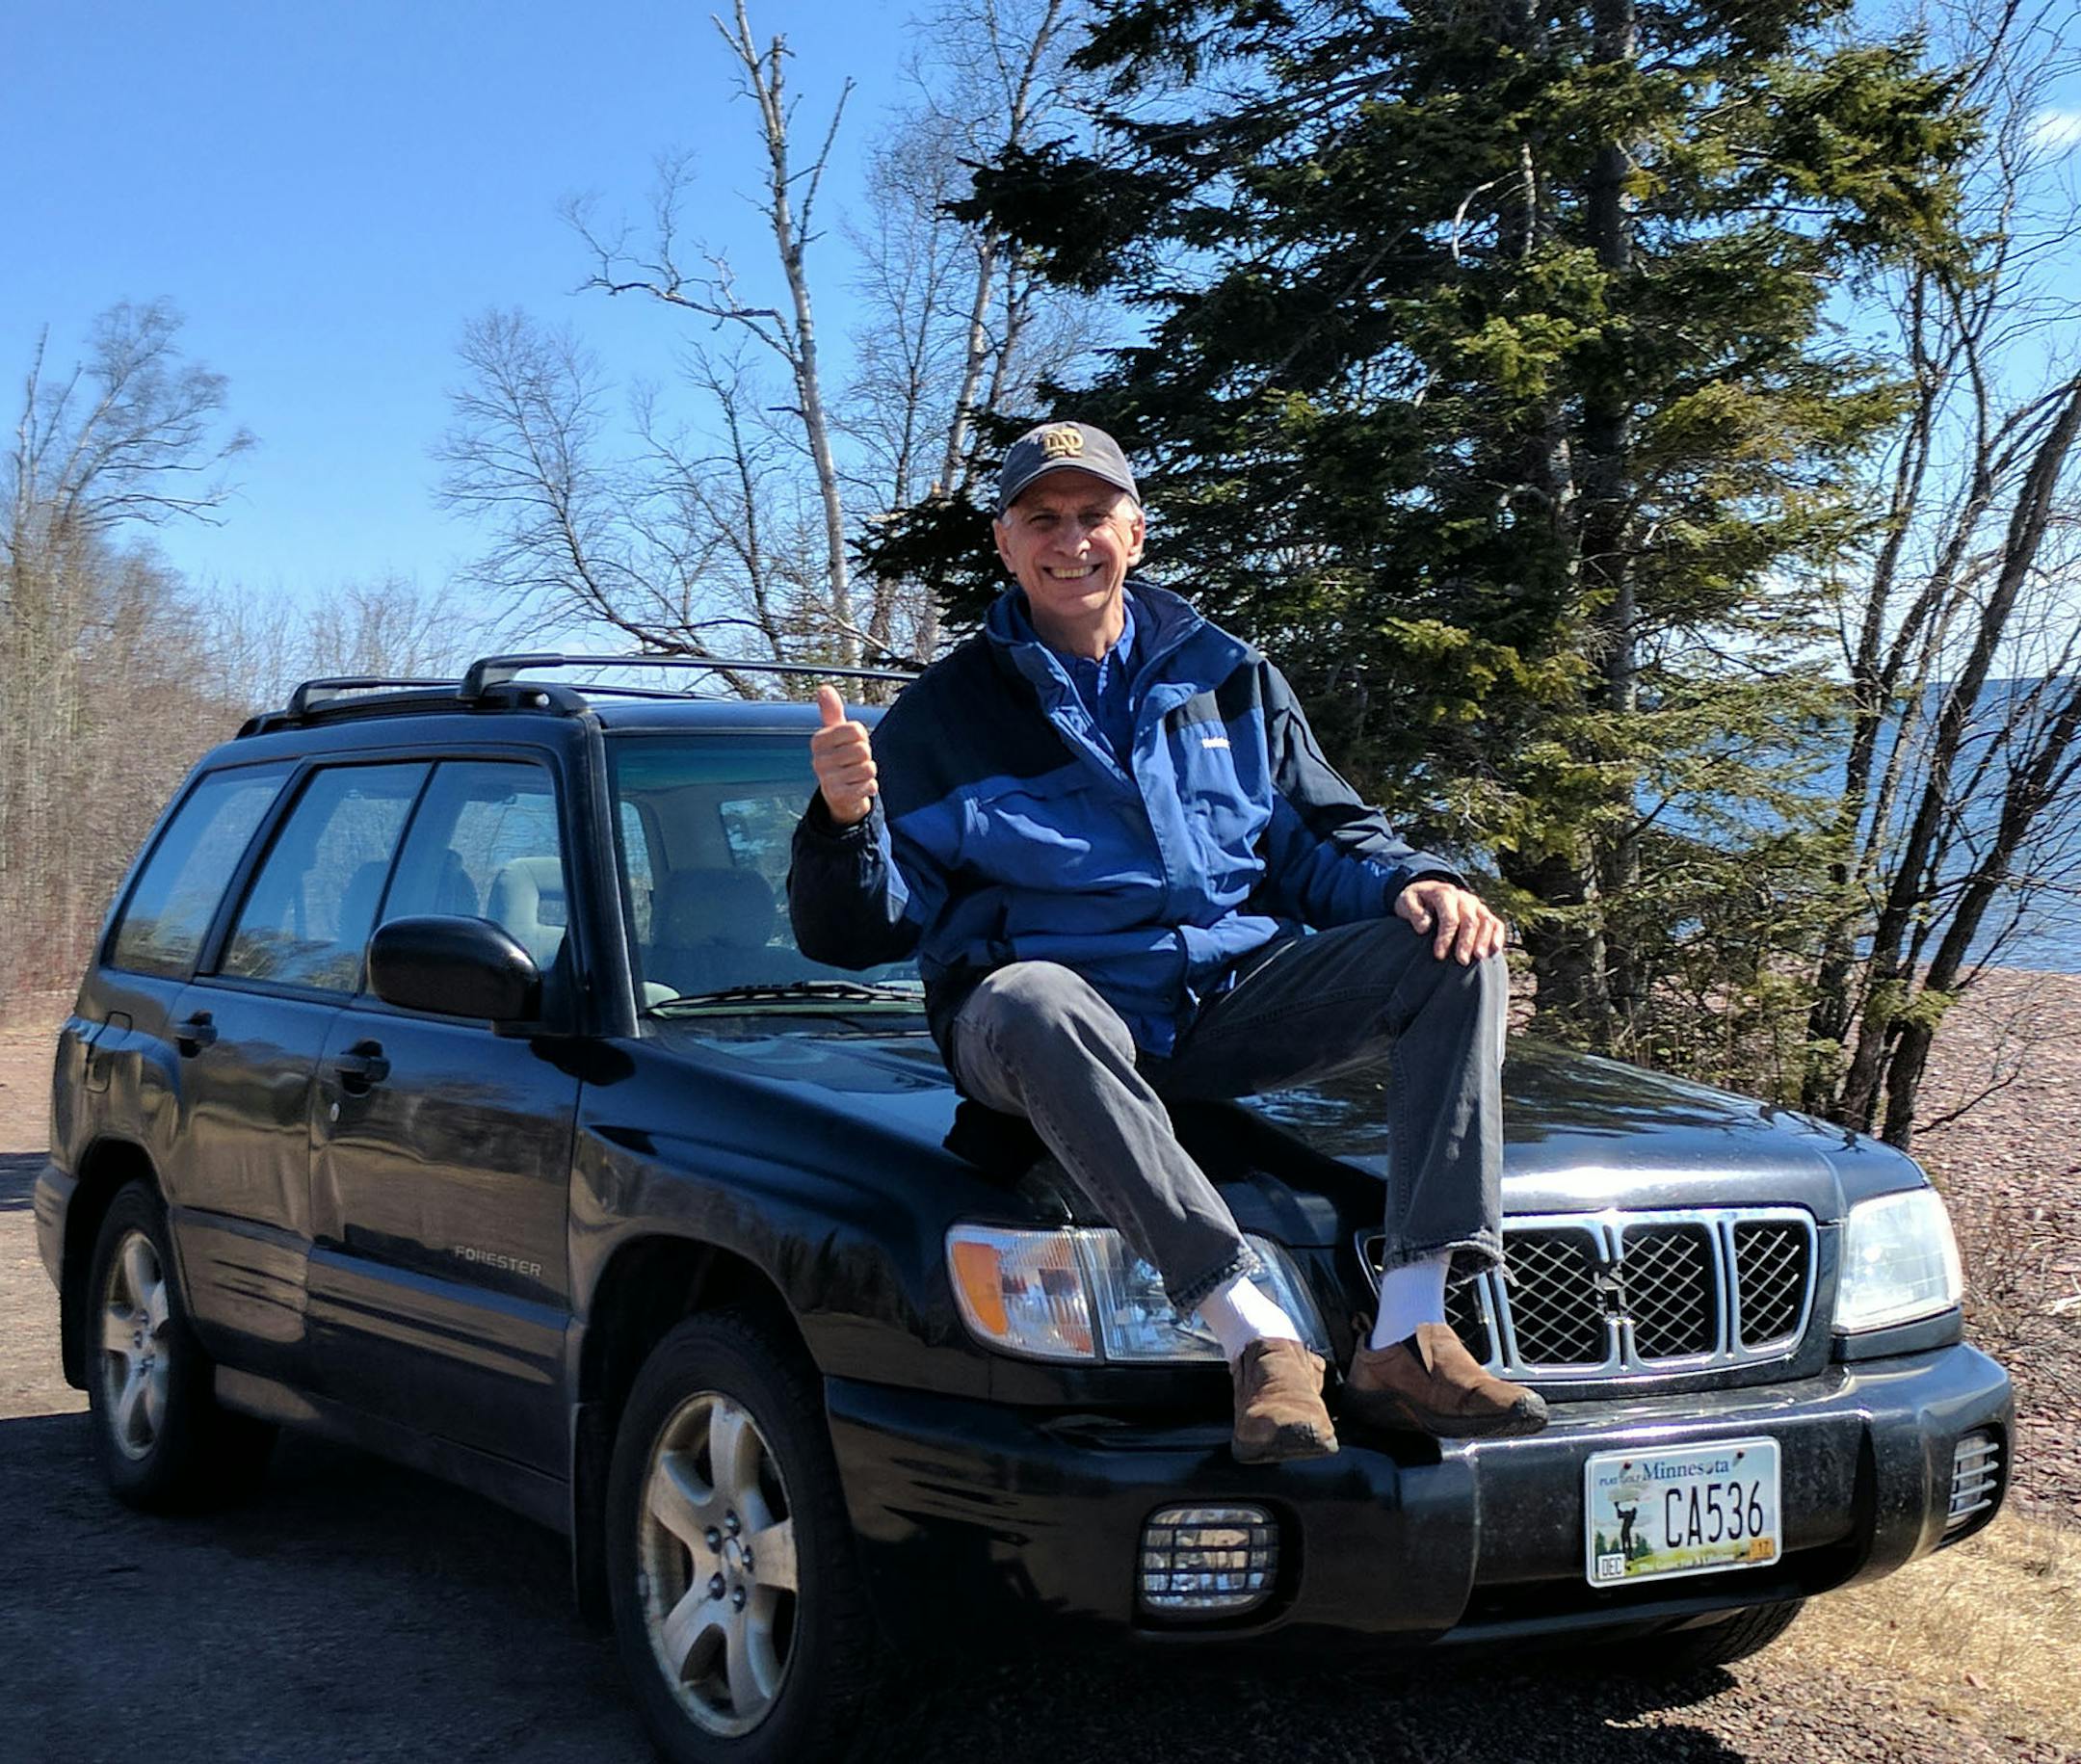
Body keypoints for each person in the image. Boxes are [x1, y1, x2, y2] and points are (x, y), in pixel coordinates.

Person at [788, 419, 1546, 1462]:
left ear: (1135, 532)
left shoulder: (1225, 675)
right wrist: (840, 823)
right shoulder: (943, 719)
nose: (1071, 540)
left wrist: (1418, 879)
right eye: (1042, 519)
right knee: (1031, 995)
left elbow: (1321, 841)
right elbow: (859, 931)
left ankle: (1409, 1329)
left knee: (1456, 946)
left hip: (1223, 1002)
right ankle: (1256, 1333)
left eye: (1093, 516)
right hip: (1038, 1031)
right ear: (1004, 544)